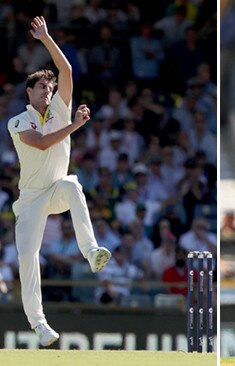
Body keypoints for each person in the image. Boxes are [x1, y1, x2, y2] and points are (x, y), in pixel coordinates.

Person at [7, 16, 112, 347]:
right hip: (30, 200)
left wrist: (47, 39)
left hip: (54, 191)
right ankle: (39, 324)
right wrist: (75, 127)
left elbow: (66, 72)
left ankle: (91, 251)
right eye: (42, 87)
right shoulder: (18, 121)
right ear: (29, 91)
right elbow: (40, 143)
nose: (48, 91)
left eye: (50, 89)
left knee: (72, 184)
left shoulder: (60, 109)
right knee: (28, 256)